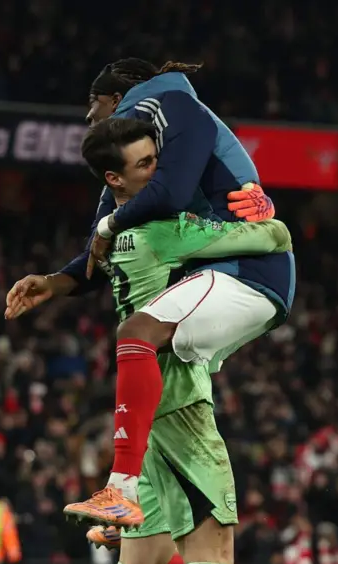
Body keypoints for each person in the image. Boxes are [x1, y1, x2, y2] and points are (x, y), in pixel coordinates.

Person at [6, 118, 292, 564]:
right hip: (179, 400)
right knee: (214, 550)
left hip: (145, 401)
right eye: (144, 166)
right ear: (116, 180)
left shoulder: (119, 236)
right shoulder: (164, 227)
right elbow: (271, 235)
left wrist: (67, 269)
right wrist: (262, 206)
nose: (161, 172)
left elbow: (93, 263)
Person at [52, 58, 292, 533]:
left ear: (118, 99)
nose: (89, 115)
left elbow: (172, 194)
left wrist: (268, 221)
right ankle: (127, 512)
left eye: (94, 103)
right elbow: (96, 256)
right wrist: (54, 282)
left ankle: (121, 493)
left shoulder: (169, 112)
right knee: (143, 560)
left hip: (235, 278)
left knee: (137, 333)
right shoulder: (130, 205)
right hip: (165, 351)